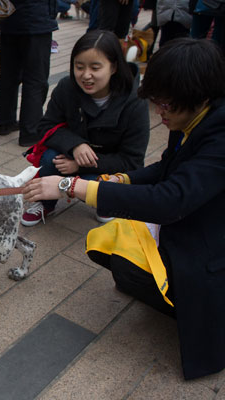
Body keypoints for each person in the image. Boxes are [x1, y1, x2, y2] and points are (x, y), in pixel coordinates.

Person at [22, 38, 225, 381]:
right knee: (113, 256)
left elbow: (170, 200)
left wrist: (75, 186)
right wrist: (119, 181)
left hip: (210, 240)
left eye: (166, 106)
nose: (160, 114)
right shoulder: (191, 116)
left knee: (133, 266)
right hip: (189, 220)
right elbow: (165, 168)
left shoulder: (218, 134)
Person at [21, 30, 149, 226]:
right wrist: (75, 146)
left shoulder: (134, 103)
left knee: (104, 183)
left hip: (105, 167)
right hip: (69, 156)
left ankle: (105, 202)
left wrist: (80, 165)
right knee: (49, 158)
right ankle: (46, 202)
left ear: (113, 67)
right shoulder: (66, 88)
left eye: (95, 67)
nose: (86, 75)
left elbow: (132, 161)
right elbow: (46, 126)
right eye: (79, 67)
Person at [0, 0, 58, 145]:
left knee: (8, 76)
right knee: (36, 79)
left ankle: (5, 122)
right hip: (37, 19)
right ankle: (30, 131)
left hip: (9, 18)